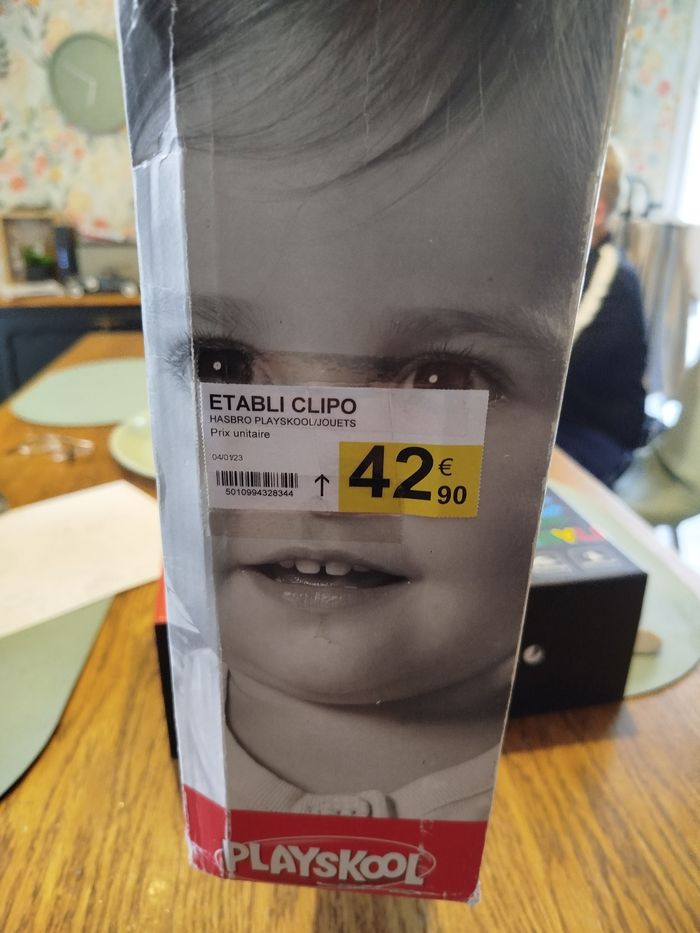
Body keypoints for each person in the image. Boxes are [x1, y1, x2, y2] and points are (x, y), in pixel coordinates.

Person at [119, 0, 622, 821]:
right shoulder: (147, 752)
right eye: (225, 365)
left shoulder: (581, 796)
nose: (323, 481)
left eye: (442, 380)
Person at [556, 144, 649, 486]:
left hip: (596, 435)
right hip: (561, 418)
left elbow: (557, 361)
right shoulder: (567, 264)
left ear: (596, 211)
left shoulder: (612, 276)